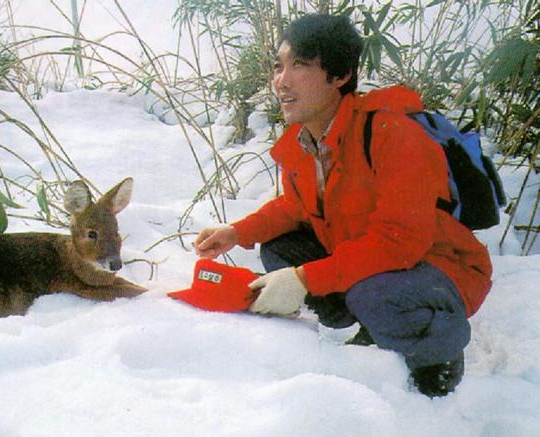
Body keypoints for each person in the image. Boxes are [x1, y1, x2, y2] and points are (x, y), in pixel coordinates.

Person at [194, 13, 492, 397]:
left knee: (372, 293)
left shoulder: (392, 134)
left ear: (339, 77)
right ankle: (369, 320)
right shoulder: (304, 140)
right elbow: (295, 208)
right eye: (278, 66)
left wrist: (305, 279)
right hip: (373, 259)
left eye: (300, 65)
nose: (281, 81)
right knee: (280, 249)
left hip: (440, 266)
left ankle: (437, 356)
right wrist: (237, 232)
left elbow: (400, 241)